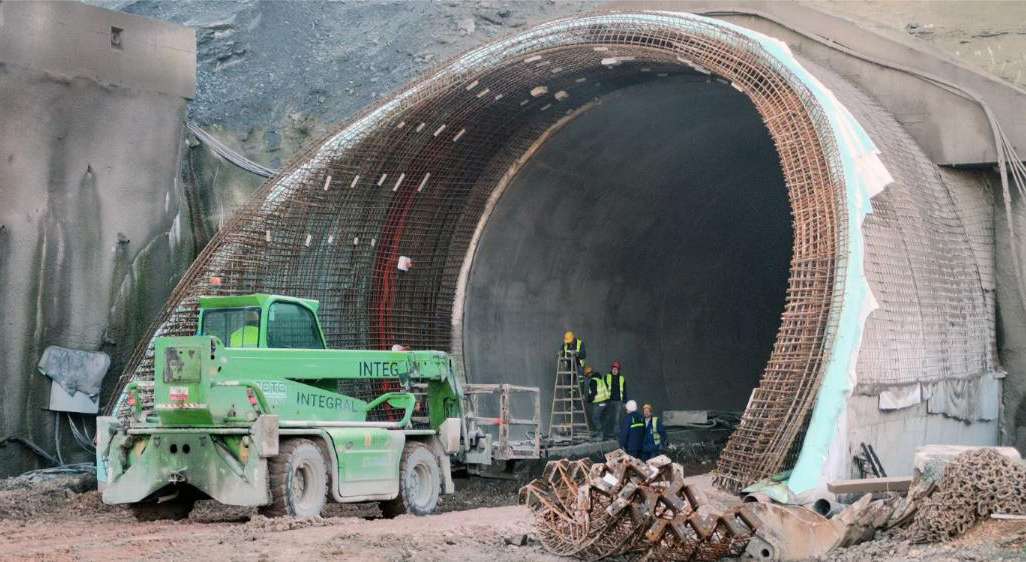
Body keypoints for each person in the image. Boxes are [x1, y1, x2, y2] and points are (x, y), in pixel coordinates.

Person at [603, 361, 627, 442]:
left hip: (618, 401)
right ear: (612, 369)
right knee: (608, 417)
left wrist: (624, 402)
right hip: (609, 401)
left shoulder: (621, 378)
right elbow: (603, 389)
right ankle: (605, 434)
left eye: (616, 369)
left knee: (617, 419)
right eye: (613, 369)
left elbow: (624, 391)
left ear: (618, 370)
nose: (614, 370)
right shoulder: (607, 376)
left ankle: (616, 435)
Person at [586, 366, 609, 441]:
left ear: (589, 374)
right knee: (601, 419)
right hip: (605, 402)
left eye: (587, 375)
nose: (587, 377)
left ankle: (600, 435)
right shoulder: (600, 378)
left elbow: (594, 393)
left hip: (598, 403)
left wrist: (589, 400)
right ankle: (602, 434)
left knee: (595, 418)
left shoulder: (593, 381)